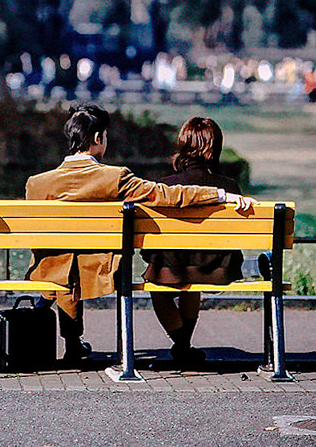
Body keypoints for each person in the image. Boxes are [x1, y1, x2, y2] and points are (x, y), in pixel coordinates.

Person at [25, 105, 254, 366]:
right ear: (99, 138)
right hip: (100, 268)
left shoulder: (36, 183)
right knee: (73, 262)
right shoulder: (116, 177)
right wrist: (221, 195)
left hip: (54, 268)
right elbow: (170, 195)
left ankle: (69, 339)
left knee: (63, 261)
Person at [141, 116, 245, 369]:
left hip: (170, 269)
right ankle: (184, 348)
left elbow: (148, 245)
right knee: (193, 276)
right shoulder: (230, 187)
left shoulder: (165, 187)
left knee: (158, 287)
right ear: (214, 149)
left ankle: (182, 346)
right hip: (219, 269)